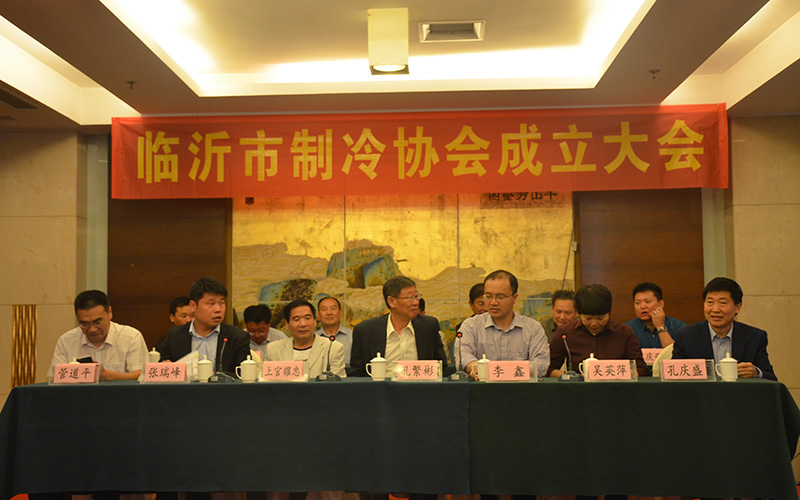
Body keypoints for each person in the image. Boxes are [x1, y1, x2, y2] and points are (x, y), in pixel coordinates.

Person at [672, 277, 776, 380]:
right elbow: (674, 377)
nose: (715, 309)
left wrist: (756, 372)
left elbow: (771, 379)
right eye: (710, 302)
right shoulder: (685, 336)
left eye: (723, 303)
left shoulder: (754, 337)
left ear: (738, 307)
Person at [459, 270, 549, 379]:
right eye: (488, 296)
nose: (493, 302)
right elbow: (463, 358)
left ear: (514, 298)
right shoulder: (471, 326)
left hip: (522, 388)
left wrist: (503, 372)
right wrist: (476, 368)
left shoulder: (533, 328)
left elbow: (541, 364)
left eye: (500, 297)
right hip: (482, 387)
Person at [350, 276, 447, 377]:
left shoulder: (428, 326)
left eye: (416, 296)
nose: (415, 302)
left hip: (420, 386)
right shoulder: (365, 331)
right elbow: (357, 374)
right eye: (410, 298)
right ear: (391, 302)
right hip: (380, 386)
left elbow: (440, 366)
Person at [548, 283, 648, 377]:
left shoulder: (624, 332)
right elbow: (549, 368)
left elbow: (641, 369)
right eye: (588, 319)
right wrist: (573, 377)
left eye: (600, 318)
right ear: (578, 313)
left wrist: (611, 375)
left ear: (609, 313)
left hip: (616, 387)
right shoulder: (565, 333)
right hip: (578, 388)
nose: (594, 324)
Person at [48, 290, 148, 381]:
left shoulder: (131, 337)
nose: (92, 329)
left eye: (97, 322)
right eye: (84, 324)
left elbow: (141, 375)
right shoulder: (67, 341)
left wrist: (107, 375)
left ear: (109, 313)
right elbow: (53, 378)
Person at [157, 276, 250, 374]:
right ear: (193, 306)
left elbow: (244, 374)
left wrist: (216, 377)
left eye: (221, 303)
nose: (218, 309)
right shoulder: (174, 336)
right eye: (211, 303)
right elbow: (162, 369)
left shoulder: (237, 337)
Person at [266, 299, 346, 378]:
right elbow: (267, 382)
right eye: (296, 319)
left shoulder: (333, 348)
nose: (303, 324)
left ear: (315, 321)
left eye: (307, 318)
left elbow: (338, 384)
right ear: (287, 324)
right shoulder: (273, 349)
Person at [625, 282, 686, 348]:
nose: (642, 306)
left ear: (660, 304)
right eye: (637, 303)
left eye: (647, 302)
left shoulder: (677, 326)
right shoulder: (628, 328)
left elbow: (674, 353)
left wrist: (660, 326)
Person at [316, 296, 353, 365]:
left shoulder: (352, 336)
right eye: (324, 309)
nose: (329, 313)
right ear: (319, 315)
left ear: (340, 314)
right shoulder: (313, 338)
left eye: (333, 309)